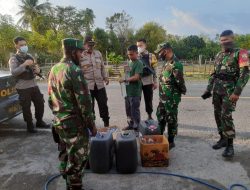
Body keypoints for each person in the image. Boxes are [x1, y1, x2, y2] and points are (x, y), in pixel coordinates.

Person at [48, 38, 97, 190]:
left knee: (65, 151)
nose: (82, 55)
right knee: (78, 159)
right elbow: (85, 103)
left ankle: (66, 179)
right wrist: (91, 125)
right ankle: (74, 186)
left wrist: (59, 114)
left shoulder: (54, 69)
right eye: (80, 52)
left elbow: (50, 98)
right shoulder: (74, 70)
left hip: (59, 122)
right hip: (74, 124)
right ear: (72, 52)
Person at [202, 30, 249, 158]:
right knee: (217, 115)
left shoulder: (241, 53)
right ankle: (222, 139)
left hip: (230, 92)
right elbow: (214, 74)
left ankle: (230, 146)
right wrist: (208, 89)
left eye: (226, 40)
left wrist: (237, 92)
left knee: (226, 116)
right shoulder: (219, 55)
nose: (224, 43)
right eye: (222, 40)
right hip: (217, 90)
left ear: (232, 39)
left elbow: (245, 74)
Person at [9, 36, 49, 133]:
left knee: (40, 103)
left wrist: (38, 70)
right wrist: (24, 64)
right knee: (26, 107)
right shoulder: (13, 59)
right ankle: (30, 125)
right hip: (23, 87)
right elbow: (14, 72)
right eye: (21, 45)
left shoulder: (29, 56)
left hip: (34, 85)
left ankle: (39, 121)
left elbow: (35, 67)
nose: (24, 46)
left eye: (25, 44)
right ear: (16, 46)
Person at [155, 42, 186, 149]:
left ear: (166, 50)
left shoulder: (176, 64)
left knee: (171, 119)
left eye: (160, 52)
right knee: (161, 116)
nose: (159, 54)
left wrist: (182, 91)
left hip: (171, 98)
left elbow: (180, 82)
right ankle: (160, 137)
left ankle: (171, 141)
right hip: (163, 97)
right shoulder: (166, 62)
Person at [80, 36, 110, 127]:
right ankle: (92, 126)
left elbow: (102, 67)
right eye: (89, 45)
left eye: (92, 45)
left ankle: (106, 124)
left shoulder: (98, 53)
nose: (91, 47)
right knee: (89, 107)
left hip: (99, 85)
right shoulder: (81, 55)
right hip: (87, 86)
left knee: (103, 105)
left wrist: (105, 77)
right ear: (84, 45)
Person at [119, 45, 143, 131]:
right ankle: (130, 125)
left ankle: (137, 128)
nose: (130, 56)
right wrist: (123, 76)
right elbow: (127, 74)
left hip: (135, 92)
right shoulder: (129, 62)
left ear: (137, 53)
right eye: (128, 54)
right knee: (128, 111)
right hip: (127, 92)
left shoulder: (139, 63)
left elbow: (137, 77)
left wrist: (124, 79)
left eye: (132, 54)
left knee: (134, 111)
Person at [136, 39, 158, 120]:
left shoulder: (151, 56)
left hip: (148, 82)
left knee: (148, 100)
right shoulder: (135, 55)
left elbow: (155, 70)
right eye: (137, 46)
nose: (139, 47)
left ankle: (149, 116)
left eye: (140, 45)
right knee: (136, 101)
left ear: (145, 46)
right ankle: (136, 118)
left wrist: (155, 82)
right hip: (137, 82)